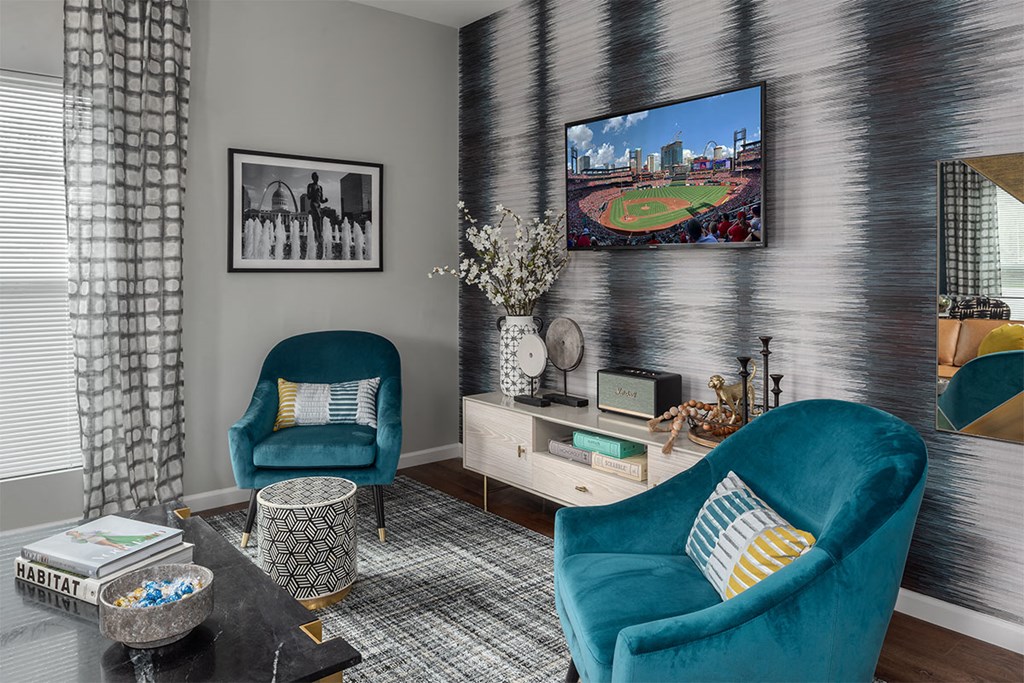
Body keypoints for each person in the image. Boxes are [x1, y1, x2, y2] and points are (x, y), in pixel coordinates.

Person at [306, 172, 328, 258]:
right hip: (313, 204)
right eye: (315, 177)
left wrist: (325, 201)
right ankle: (319, 236)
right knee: (318, 217)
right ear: (313, 178)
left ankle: (317, 234)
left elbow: (321, 199)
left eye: (318, 176)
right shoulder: (310, 186)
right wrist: (314, 192)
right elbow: (308, 196)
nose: (317, 178)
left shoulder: (320, 187)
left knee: (317, 220)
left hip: (318, 205)